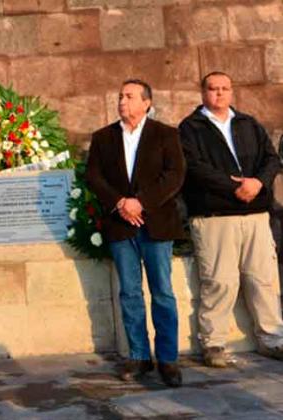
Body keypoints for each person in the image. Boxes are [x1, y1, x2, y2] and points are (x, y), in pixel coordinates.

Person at [180, 71, 283, 367]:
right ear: (203, 92)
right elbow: (195, 168)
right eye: (213, 89)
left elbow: (271, 158)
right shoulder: (190, 128)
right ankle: (213, 343)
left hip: (255, 214)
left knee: (262, 278)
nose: (219, 94)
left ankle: (272, 338)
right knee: (219, 281)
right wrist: (235, 186)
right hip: (216, 214)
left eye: (225, 88)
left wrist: (258, 183)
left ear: (232, 91)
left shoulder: (248, 123)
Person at [86, 80, 185, 387]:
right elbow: (94, 176)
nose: (122, 101)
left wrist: (141, 203)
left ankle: (167, 358)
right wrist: (120, 204)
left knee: (162, 292)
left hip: (156, 224)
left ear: (146, 103)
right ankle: (139, 356)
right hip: (120, 226)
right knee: (129, 293)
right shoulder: (104, 137)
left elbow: (175, 175)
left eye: (129, 96)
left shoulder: (165, 134)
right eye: (120, 96)